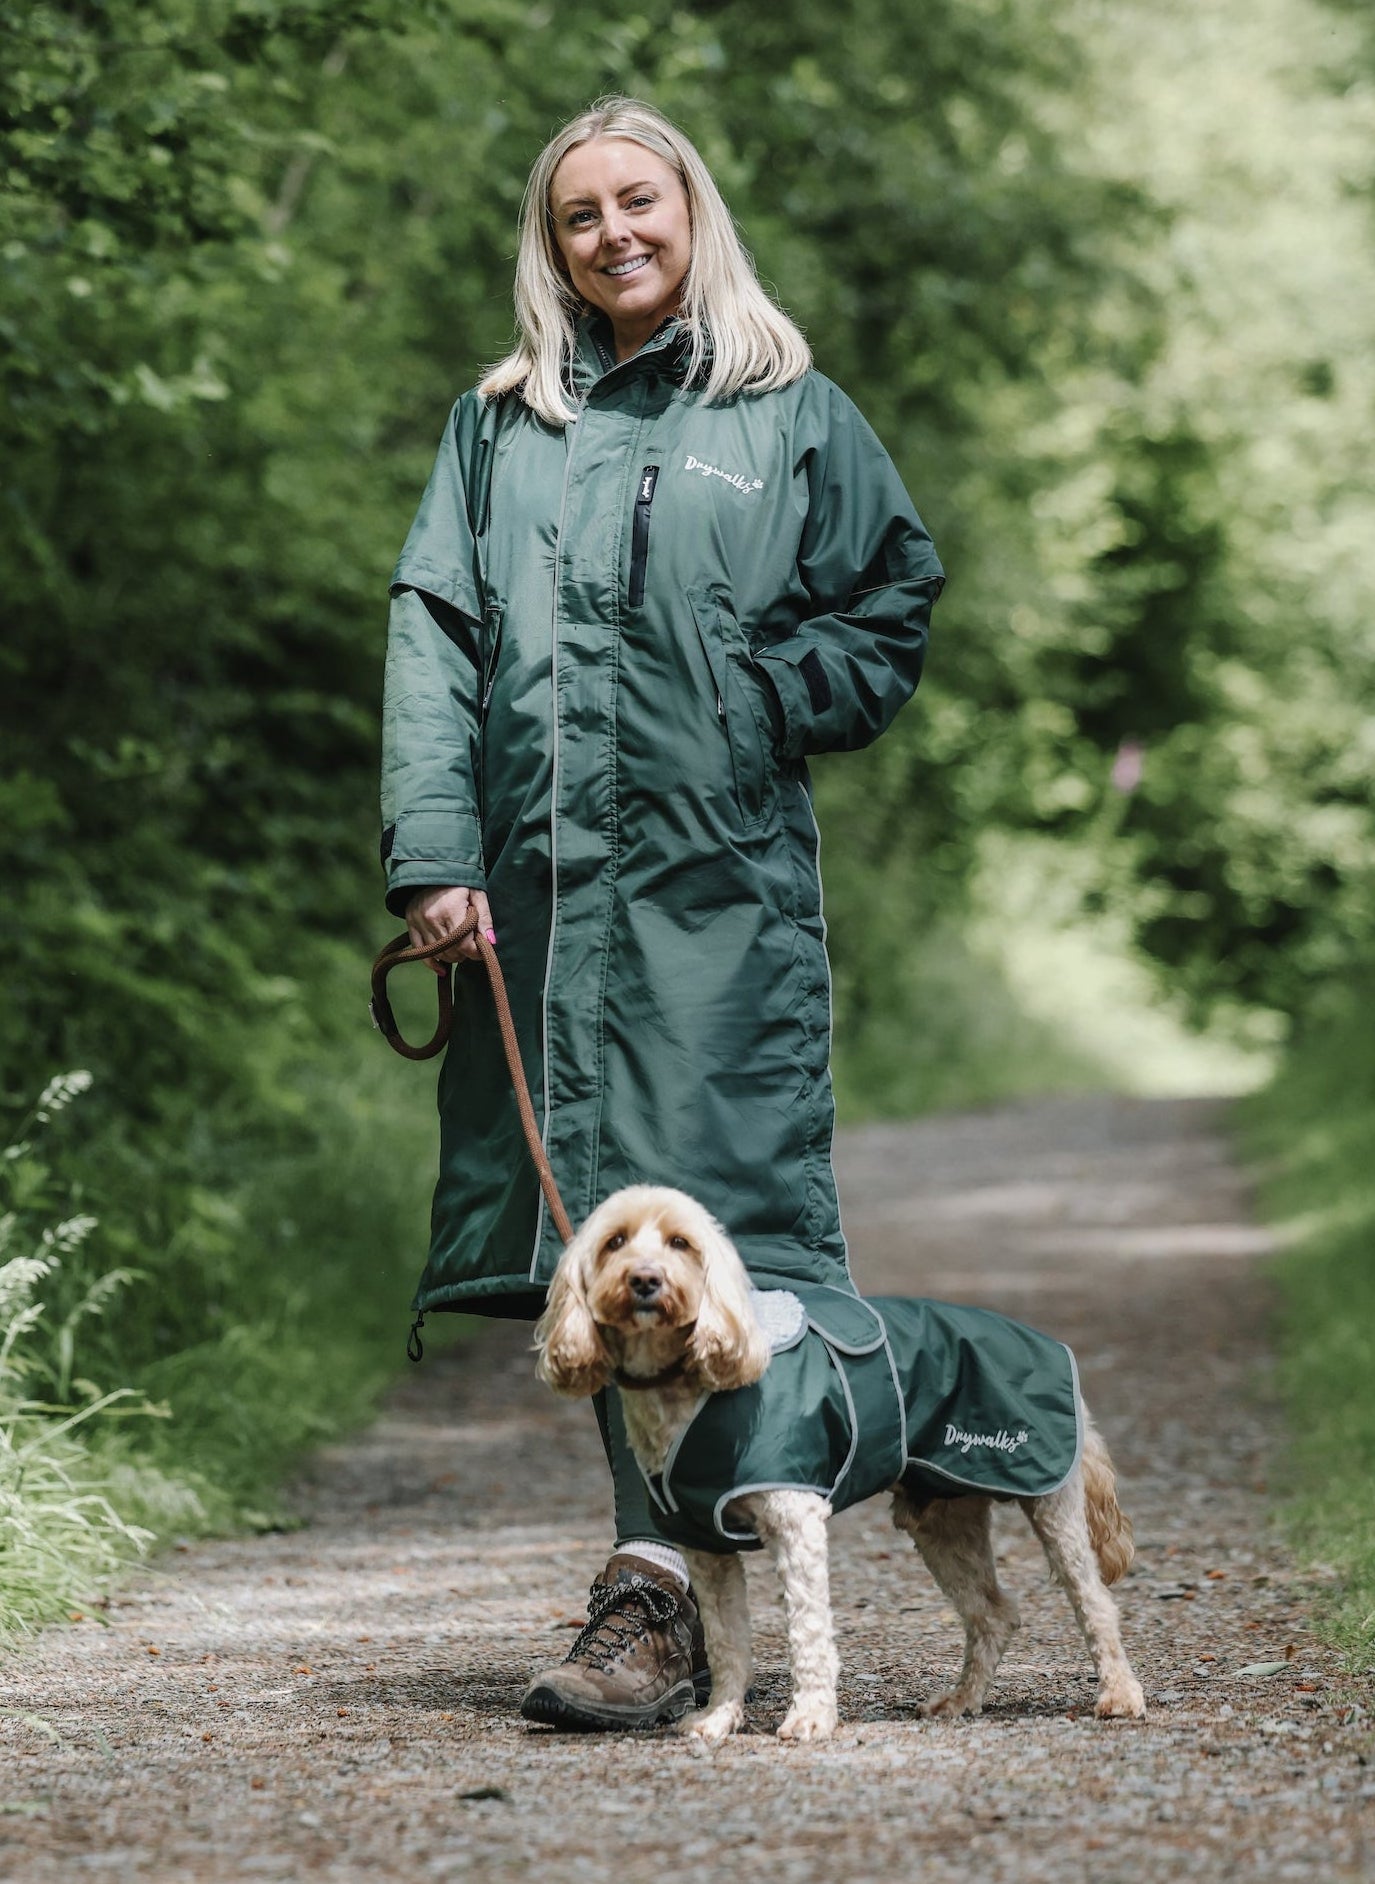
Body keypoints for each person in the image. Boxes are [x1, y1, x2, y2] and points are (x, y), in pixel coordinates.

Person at [379, 96, 944, 1731]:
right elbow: (436, 631)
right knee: (601, 1245)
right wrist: (434, 849)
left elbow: (891, 600)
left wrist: (767, 698)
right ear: (550, 248)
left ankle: (713, 1565)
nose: (615, 232)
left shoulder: (793, 414)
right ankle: (653, 1588)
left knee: (723, 1224)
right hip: (547, 898)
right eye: (580, 215)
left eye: (642, 201)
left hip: (720, 896)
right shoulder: (501, 428)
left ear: (691, 211)